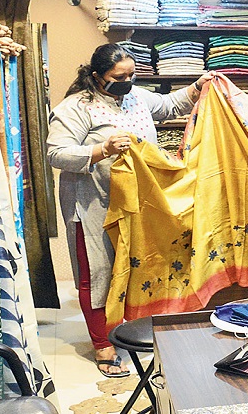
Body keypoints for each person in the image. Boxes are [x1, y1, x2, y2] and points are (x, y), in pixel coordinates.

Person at [47, 43, 221, 377]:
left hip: (138, 203)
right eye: (119, 76)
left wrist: (198, 86)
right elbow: (56, 153)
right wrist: (102, 149)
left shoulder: (137, 96)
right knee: (97, 272)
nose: (127, 81)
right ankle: (103, 344)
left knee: (140, 266)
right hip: (92, 203)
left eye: (131, 74)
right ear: (98, 77)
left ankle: (135, 327)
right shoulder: (76, 108)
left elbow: (169, 105)